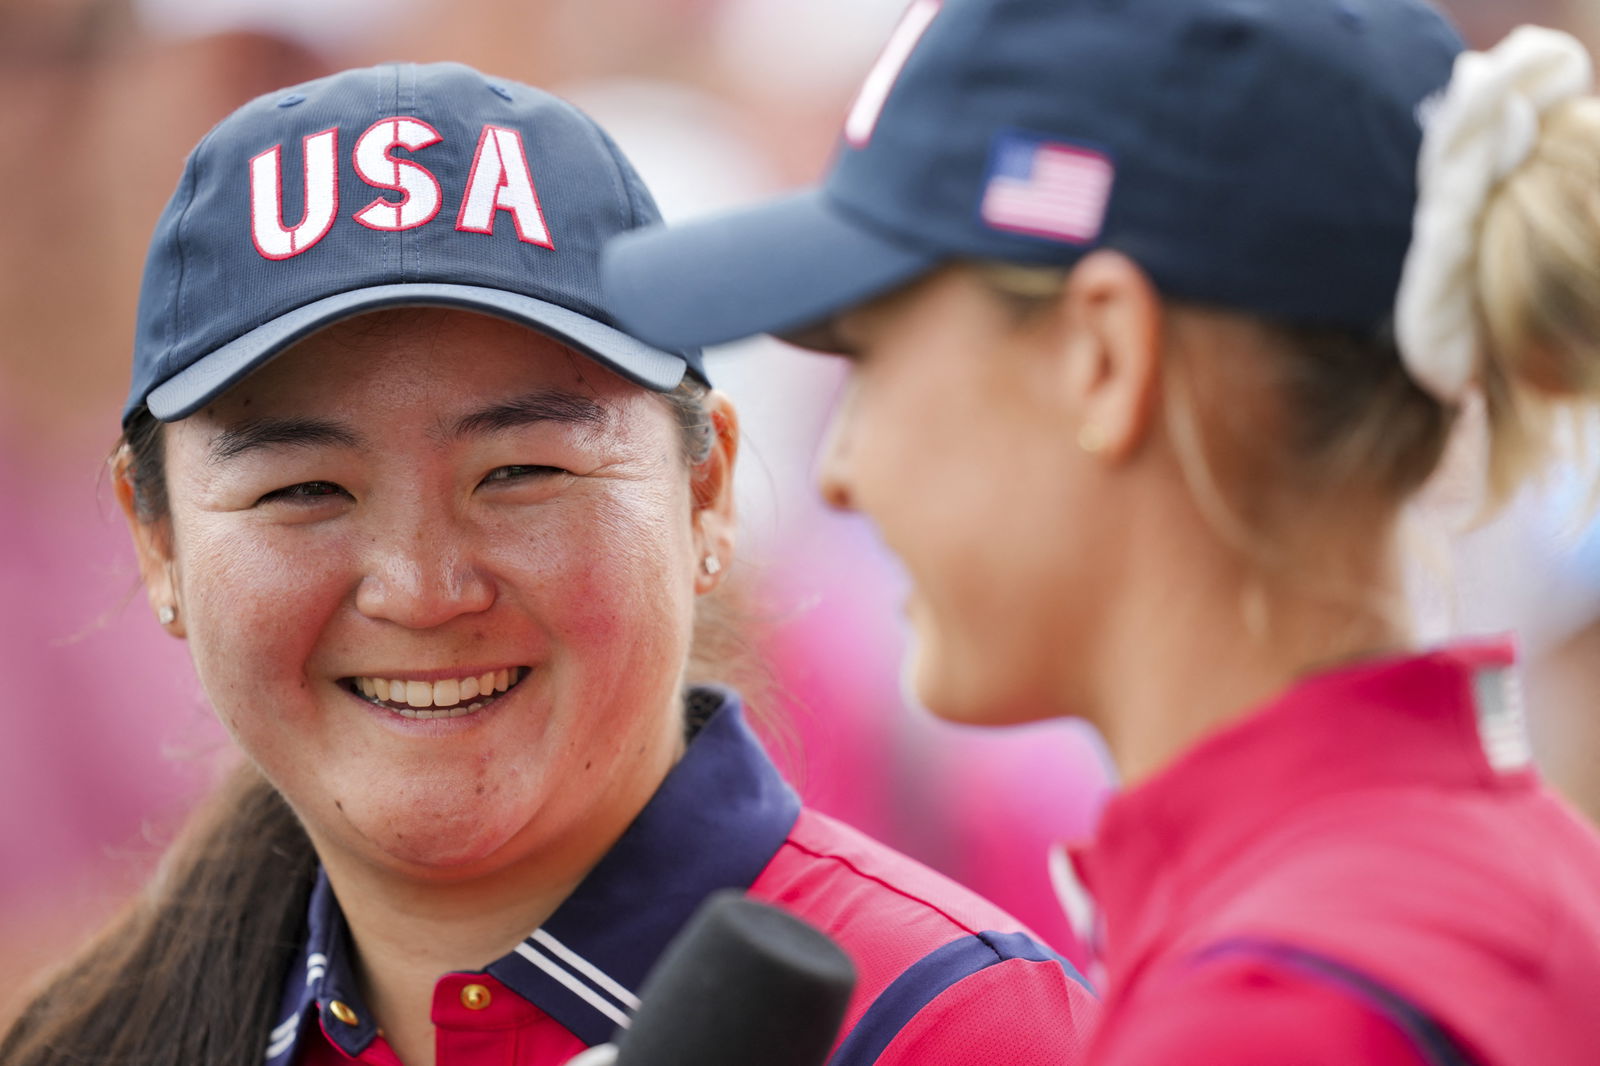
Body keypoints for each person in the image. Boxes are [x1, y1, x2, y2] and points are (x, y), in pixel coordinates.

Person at [0, 61, 1098, 1066]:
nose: (421, 589)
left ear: (704, 487)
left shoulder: (945, 1027)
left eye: (519, 472)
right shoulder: (105, 1037)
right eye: (304, 491)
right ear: (158, 542)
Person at [601, 1, 1600, 1062]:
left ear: (1102, 357)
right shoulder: (1489, 868)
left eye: (870, 353)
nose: (840, 472)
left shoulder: (1273, 1004)